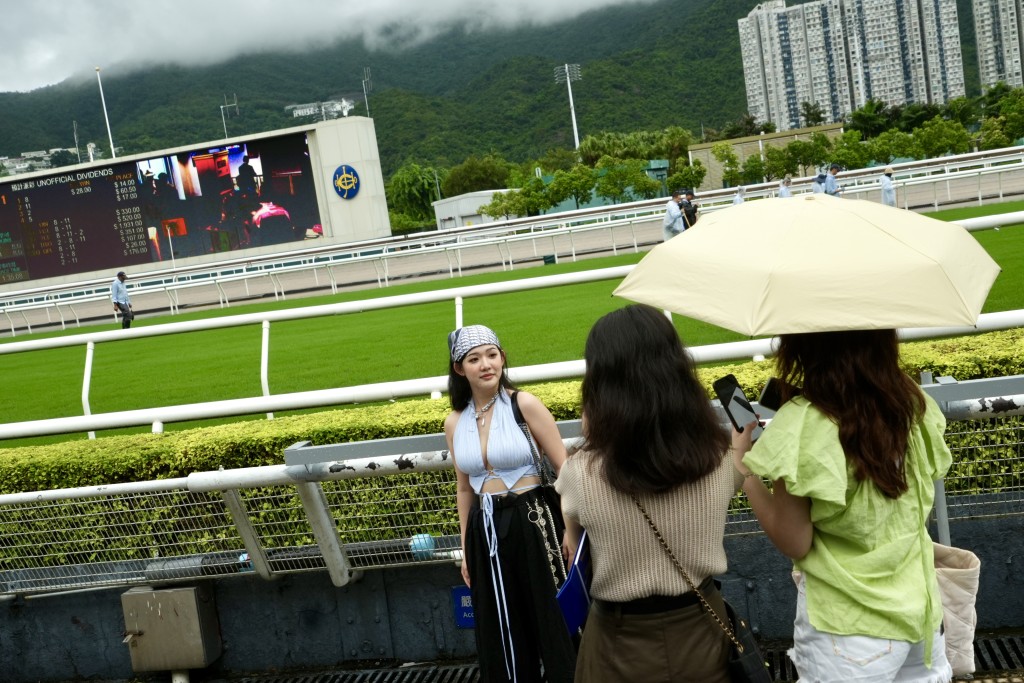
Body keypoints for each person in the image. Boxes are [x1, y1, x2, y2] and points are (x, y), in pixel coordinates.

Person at [731, 330, 954, 682]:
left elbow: (794, 541)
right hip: (921, 617)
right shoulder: (912, 401)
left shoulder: (802, 423)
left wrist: (744, 469)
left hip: (847, 629)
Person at [556, 305, 740, 682]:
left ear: (599, 383)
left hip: (616, 643)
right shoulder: (721, 458)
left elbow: (571, 530)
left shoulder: (581, 472)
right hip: (704, 627)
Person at [444, 324, 576, 683]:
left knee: (554, 616)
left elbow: (565, 468)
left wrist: (571, 531)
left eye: (492, 355)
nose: (486, 364)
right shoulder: (455, 422)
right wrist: (465, 548)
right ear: (460, 368)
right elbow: (465, 489)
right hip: (483, 530)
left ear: (502, 358)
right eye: (474, 359)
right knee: (500, 626)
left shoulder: (524, 404)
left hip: (535, 518)